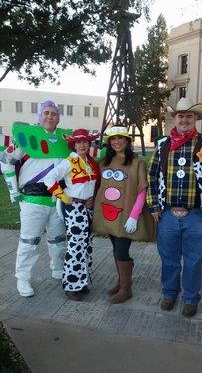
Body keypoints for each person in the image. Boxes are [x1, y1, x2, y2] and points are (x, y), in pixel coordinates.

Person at [147, 97, 202, 317]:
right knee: (169, 258)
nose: (184, 119)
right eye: (181, 115)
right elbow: (152, 176)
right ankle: (170, 293)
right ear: (175, 118)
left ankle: (191, 298)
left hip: (197, 214)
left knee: (193, 259)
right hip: (168, 215)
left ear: (196, 119)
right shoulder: (163, 144)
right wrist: (154, 206)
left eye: (189, 116)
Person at [0, 101, 66, 297]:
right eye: (46, 113)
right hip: (32, 199)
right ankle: (23, 277)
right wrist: (13, 190)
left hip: (58, 199)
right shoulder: (27, 138)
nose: (50, 116)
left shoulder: (64, 139)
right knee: (29, 241)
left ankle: (58, 268)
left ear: (58, 118)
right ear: (39, 116)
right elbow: (6, 161)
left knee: (58, 239)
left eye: (54, 113)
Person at [93, 125, 155, 304]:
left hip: (126, 214)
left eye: (120, 138)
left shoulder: (137, 163)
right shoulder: (104, 162)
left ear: (127, 140)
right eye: (113, 139)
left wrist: (134, 216)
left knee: (121, 250)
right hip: (108, 213)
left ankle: (126, 289)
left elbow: (142, 190)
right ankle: (122, 281)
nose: (116, 142)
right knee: (116, 248)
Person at [44, 128, 100, 301]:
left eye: (85, 142)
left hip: (87, 208)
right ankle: (71, 285)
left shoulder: (89, 163)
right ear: (74, 145)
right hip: (74, 208)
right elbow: (49, 179)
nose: (82, 145)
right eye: (79, 142)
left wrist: (91, 199)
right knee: (75, 246)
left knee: (86, 245)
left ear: (89, 144)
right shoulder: (69, 162)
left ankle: (81, 283)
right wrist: (64, 197)